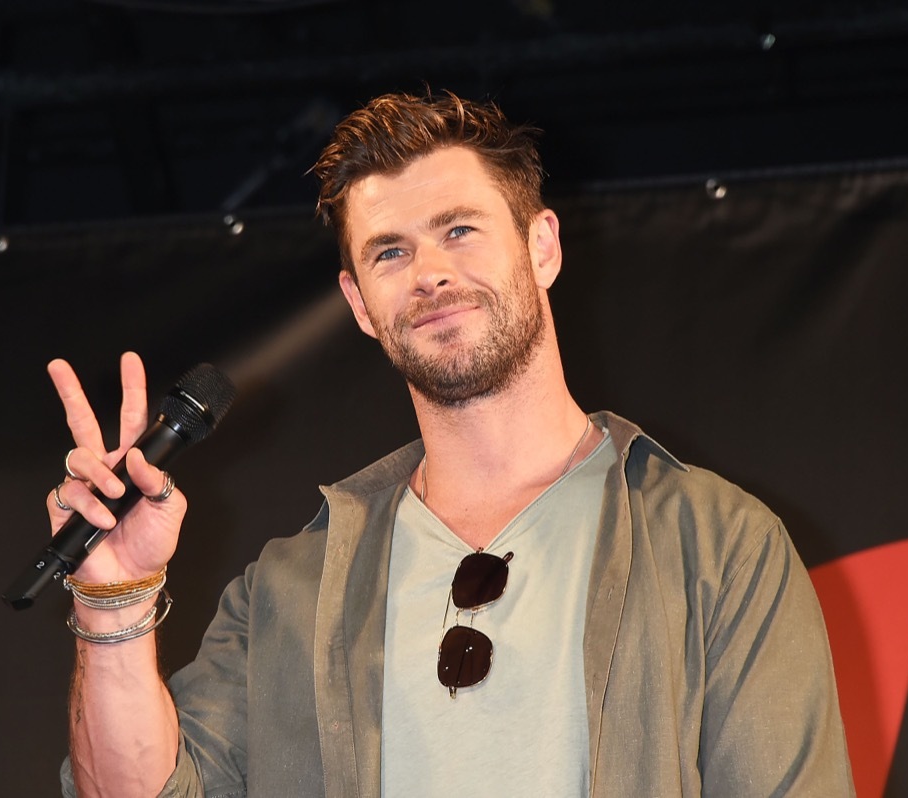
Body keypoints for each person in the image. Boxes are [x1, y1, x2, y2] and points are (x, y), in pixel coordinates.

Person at [47, 91, 855, 797]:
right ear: (359, 304)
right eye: (389, 252)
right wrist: (111, 595)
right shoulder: (289, 591)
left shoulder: (715, 544)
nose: (429, 274)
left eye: (460, 230)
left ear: (543, 246)